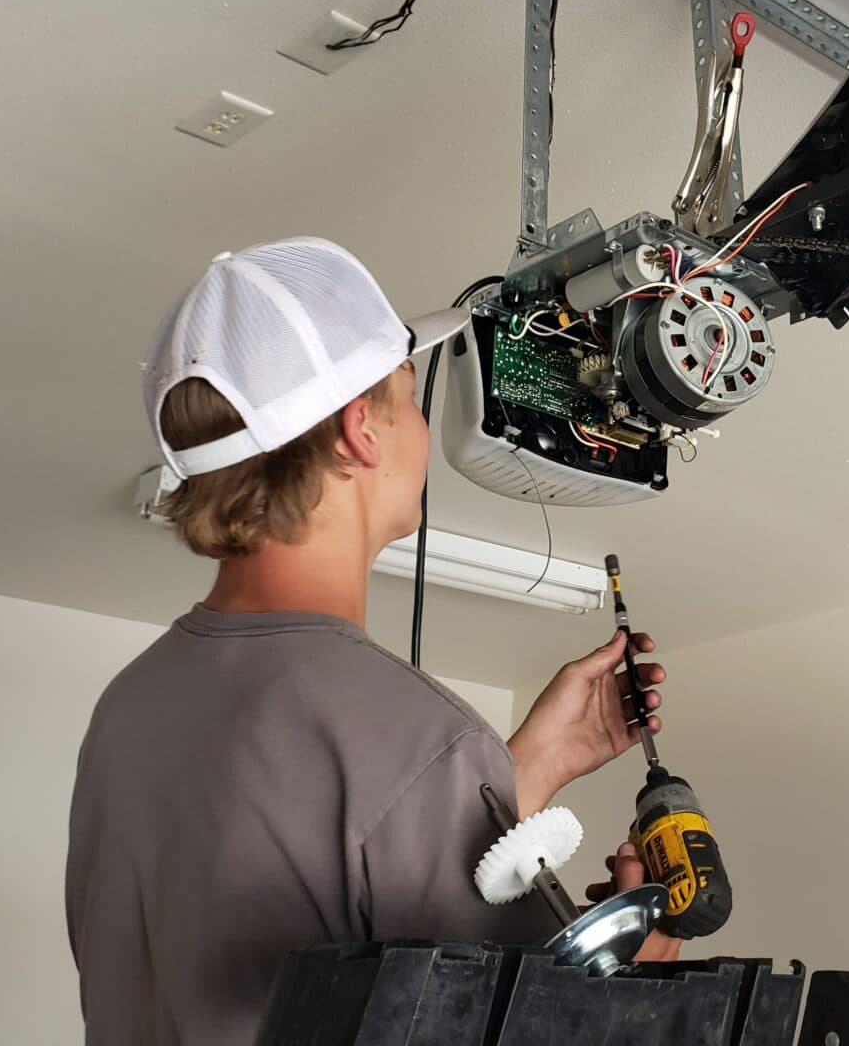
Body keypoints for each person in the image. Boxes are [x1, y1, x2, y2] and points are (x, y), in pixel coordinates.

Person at [67, 237, 672, 1046]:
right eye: (409, 396)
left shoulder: (131, 707)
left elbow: (328, 871)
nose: (421, 428)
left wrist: (529, 767)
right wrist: (652, 979)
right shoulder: (417, 738)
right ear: (362, 432)